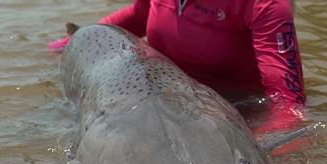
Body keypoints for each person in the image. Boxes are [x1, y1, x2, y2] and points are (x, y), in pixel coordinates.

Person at [49, 0, 307, 131]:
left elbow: (287, 103)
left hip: (235, 109)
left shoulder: (267, 4)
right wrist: (75, 41)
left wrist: (262, 150)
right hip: (163, 96)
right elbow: (139, 16)